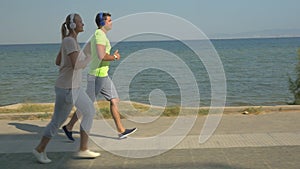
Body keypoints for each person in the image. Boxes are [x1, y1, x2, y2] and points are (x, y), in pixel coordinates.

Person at [33, 13, 100, 164]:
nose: (83, 24)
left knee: (89, 111)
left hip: (75, 88)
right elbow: (77, 65)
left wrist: (79, 54)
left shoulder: (69, 41)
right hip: (67, 89)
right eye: (81, 22)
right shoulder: (69, 41)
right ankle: (39, 149)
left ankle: (83, 149)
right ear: (73, 25)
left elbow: (58, 61)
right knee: (57, 121)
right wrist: (90, 55)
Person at [62, 12, 137, 141]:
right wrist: (114, 57)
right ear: (102, 23)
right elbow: (102, 56)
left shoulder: (97, 36)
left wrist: (86, 60)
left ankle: (121, 130)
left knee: (114, 100)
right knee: (87, 104)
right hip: (97, 76)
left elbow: (86, 51)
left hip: (103, 75)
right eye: (109, 20)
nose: (111, 22)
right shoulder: (99, 36)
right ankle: (69, 126)